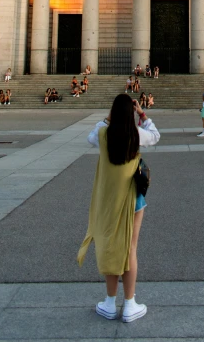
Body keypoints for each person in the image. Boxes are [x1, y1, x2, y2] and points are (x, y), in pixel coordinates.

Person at [77, 95, 160, 323]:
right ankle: (130, 303)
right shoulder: (137, 134)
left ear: (113, 112)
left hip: (108, 202)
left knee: (110, 246)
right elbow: (155, 136)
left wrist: (107, 118)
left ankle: (110, 302)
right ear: (131, 113)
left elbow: (91, 136)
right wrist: (142, 114)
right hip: (133, 200)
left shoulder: (104, 135)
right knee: (130, 248)